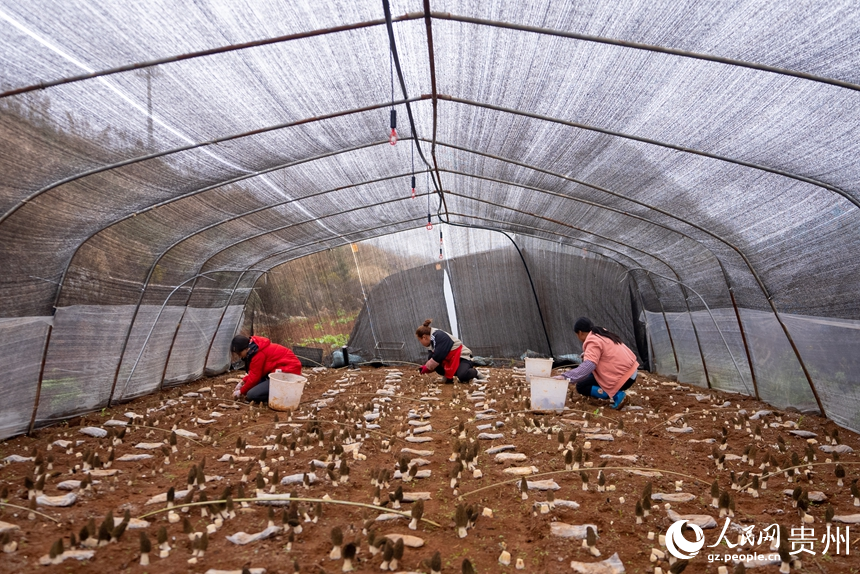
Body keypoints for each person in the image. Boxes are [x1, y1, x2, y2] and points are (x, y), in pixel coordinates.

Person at [554, 317, 638, 410]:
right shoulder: (601, 333)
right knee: (590, 375)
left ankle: (616, 394)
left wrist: (566, 376)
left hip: (624, 377)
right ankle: (610, 392)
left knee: (581, 386)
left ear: (580, 333)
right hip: (632, 371)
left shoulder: (593, 341)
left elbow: (589, 365)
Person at [230, 334, 302, 403]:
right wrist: (243, 381)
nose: (240, 356)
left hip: (288, 373)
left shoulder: (257, 354)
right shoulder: (254, 348)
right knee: (254, 386)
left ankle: (283, 396)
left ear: (245, 349)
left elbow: (254, 378)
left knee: (251, 394)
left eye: (239, 353)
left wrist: (241, 392)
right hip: (282, 370)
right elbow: (255, 372)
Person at [415, 319, 484, 384]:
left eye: (419, 340)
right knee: (432, 358)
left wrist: (427, 367)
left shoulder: (438, 336)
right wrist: (426, 367)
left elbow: (438, 356)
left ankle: (476, 373)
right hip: (451, 360)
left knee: (463, 376)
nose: (420, 342)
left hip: (462, 357)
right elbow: (432, 358)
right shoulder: (431, 343)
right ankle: (448, 378)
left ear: (424, 337)